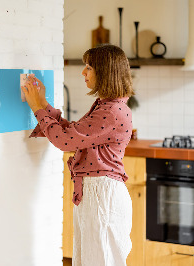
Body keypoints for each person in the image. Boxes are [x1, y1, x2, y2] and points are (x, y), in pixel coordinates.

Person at [22, 44, 134, 266]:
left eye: (89, 67)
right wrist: (43, 103)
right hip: (97, 193)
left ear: (105, 72)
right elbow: (73, 133)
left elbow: (65, 141)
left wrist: (37, 107)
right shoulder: (107, 106)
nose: (83, 72)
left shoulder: (111, 111)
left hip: (102, 195)